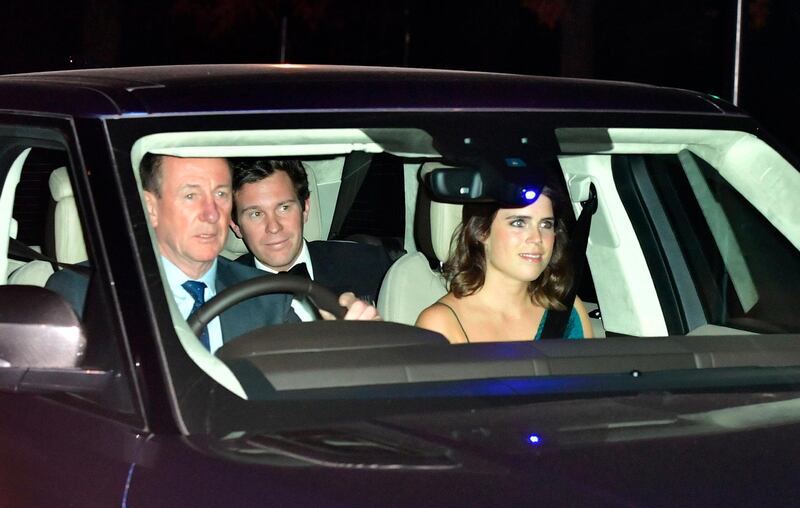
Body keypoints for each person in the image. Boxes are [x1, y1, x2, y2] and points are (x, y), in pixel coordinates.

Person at [47, 154, 378, 353]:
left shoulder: (271, 299)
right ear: (150, 207)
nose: (211, 213)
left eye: (220, 194)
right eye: (191, 196)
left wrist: (351, 346)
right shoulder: (82, 294)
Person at [415, 185, 593, 343]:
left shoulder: (566, 310)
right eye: (519, 223)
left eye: (546, 224)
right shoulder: (441, 324)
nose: (537, 238)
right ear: (481, 232)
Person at [229, 159, 393, 321]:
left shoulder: (370, 265)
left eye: (284, 207)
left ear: (305, 208)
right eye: (256, 214)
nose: (273, 227)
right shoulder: (218, 289)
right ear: (236, 225)